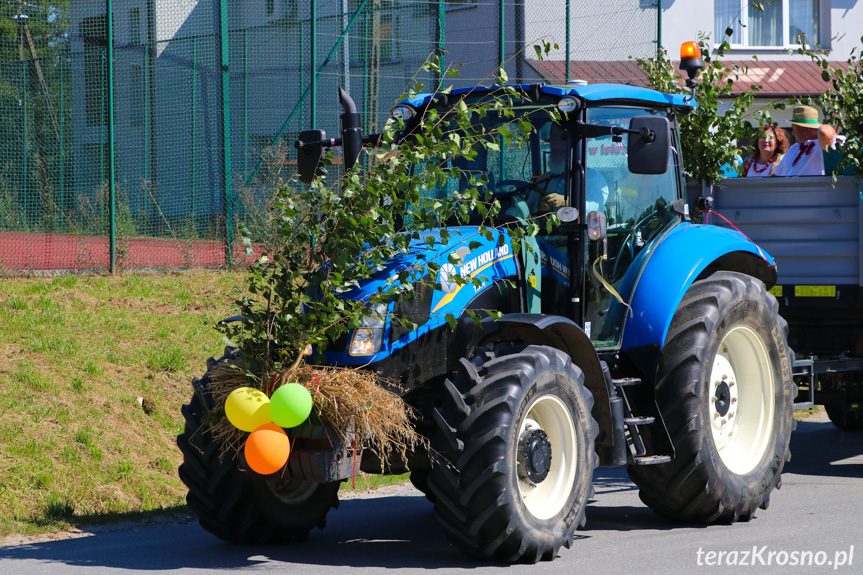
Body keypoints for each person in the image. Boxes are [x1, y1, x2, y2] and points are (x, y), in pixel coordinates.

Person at [539, 122, 609, 214]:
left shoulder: (593, 178)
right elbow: (529, 208)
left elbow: (596, 207)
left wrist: (567, 202)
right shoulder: (543, 180)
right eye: (554, 149)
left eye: (562, 139)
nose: (556, 145)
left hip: (578, 228)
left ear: (573, 147)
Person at [772, 105, 836, 177]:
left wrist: (817, 129)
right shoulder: (793, 148)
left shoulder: (820, 146)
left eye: (793, 129)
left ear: (803, 130)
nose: (792, 133)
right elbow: (775, 176)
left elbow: (824, 132)